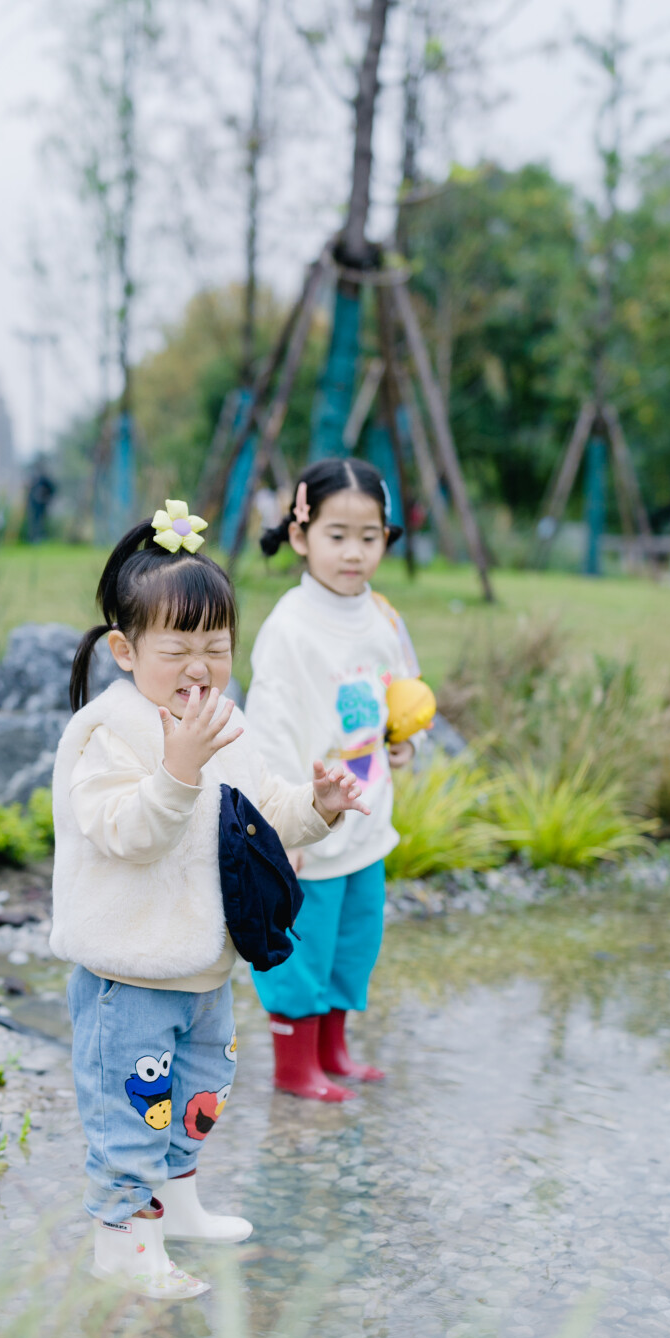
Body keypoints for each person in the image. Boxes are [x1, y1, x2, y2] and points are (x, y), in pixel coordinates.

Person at [50, 500, 369, 1301]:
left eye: (216, 648)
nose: (199, 668)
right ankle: (122, 1246)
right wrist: (179, 766)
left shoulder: (226, 723)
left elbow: (263, 815)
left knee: (196, 1099)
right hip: (131, 974)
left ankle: (178, 1207)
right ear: (125, 650)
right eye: (177, 650)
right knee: (134, 1116)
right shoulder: (107, 731)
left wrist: (321, 805)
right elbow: (126, 831)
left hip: (201, 967)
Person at [246, 457, 422, 1103]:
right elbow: (271, 729)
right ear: (301, 536)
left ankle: (334, 1048)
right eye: (337, 535)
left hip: (368, 816)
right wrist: (284, 821)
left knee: (354, 942)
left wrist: (405, 745)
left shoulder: (381, 617)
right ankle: (296, 1067)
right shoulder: (290, 629)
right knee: (304, 948)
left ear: (387, 538)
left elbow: (401, 691)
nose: (354, 553)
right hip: (310, 827)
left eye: (369, 537)